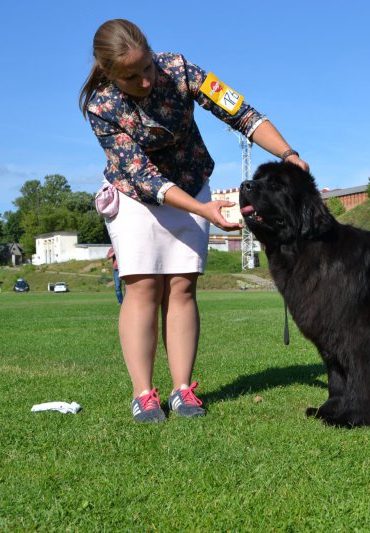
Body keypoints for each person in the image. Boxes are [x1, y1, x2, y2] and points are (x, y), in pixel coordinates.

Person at [80, 19, 309, 423]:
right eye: (131, 77)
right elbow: (145, 176)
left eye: (147, 67)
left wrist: (289, 155)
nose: (146, 81)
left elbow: (241, 113)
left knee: (183, 285)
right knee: (143, 287)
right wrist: (202, 210)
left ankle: (182, 390)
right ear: (108, 72)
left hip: (192, 180)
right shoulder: (101, 107)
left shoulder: (179, 68)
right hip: (136, 196)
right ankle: (143, 394)